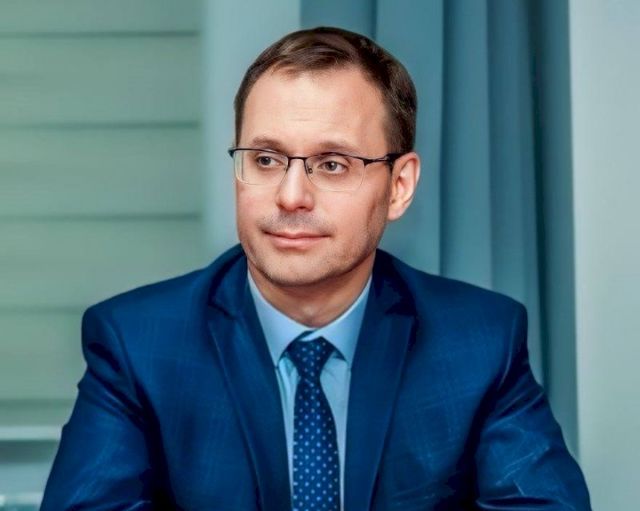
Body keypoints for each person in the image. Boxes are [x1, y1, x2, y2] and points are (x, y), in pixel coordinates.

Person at [41, 26, 591, 510]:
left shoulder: (479, 342)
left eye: (332, 164)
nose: (291, 196)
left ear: (399, 187)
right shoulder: (137, 345)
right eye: (265, 159)